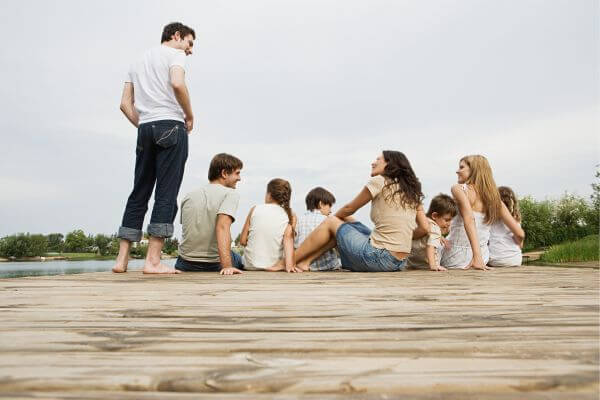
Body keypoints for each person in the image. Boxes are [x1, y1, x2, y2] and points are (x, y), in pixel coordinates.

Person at [112, 22, 195, 274]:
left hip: (145, 129)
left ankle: (121, 260)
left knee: (139, 191)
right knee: (166, 192)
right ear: (176, 35)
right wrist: (189, 115)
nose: (190, 50)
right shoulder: (175, 54)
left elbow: (125, 104)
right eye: (189, 43)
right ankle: (153, 261)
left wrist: (145, 124)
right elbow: (178, 84)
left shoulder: (136, 61)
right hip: (171, 123)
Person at [292, 151, 429, 272]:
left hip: (378, 259)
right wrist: (399, 237)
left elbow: (349, 209)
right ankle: (305, 262)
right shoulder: (412, 192)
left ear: (389, 164)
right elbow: (424, 228)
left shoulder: (380, 181)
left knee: (333, 221)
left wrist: (331, 221)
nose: (373, 162)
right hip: (399, 262)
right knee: (348, 221)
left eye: (378, 160)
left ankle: (289, 261)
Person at [440, 155, 525, 270]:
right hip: (483, 258)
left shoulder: (458, 189)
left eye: (461, 167)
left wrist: (476, 257)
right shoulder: (496, 201)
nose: (457, 171)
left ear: (474, 170)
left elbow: (469, 219)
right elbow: (520, 233)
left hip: (456, 257)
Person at [175, 153, 245, 275]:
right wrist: (227, 266)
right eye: (237, 173)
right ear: (224, 173)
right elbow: (222, 227)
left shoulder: (189, 196)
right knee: (241, 259)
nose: (239, 178)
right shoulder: (230, 194)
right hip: (214, 263)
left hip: (184, 263)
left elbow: (190, 231)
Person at [239, 179, 296, 271]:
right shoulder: (291, 215)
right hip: (274, 265)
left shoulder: (255, 209)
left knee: (235, 256)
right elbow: (288, 240)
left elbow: (242, 241)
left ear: (269, 195)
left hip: (249, 265)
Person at [294, 187, 342, 271]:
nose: (330, 211)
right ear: (321, 204)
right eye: (329, 206)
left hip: (300, 265)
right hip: (326, 266)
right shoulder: (327, 220)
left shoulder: (298, 221)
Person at [407, 194, 457, 271]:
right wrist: (433, 265)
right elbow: (430, 246)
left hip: (411, 264)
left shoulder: (422, 223)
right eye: (447, 220)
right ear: (434, 215)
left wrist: (440, 236)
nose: (449, 223)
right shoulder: (436, 229)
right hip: (425, 266)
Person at [488, 186, 523, 267]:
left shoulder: (490, 219)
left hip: (495, 260)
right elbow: (520, 238)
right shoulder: (516, 219)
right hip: (515, 260)